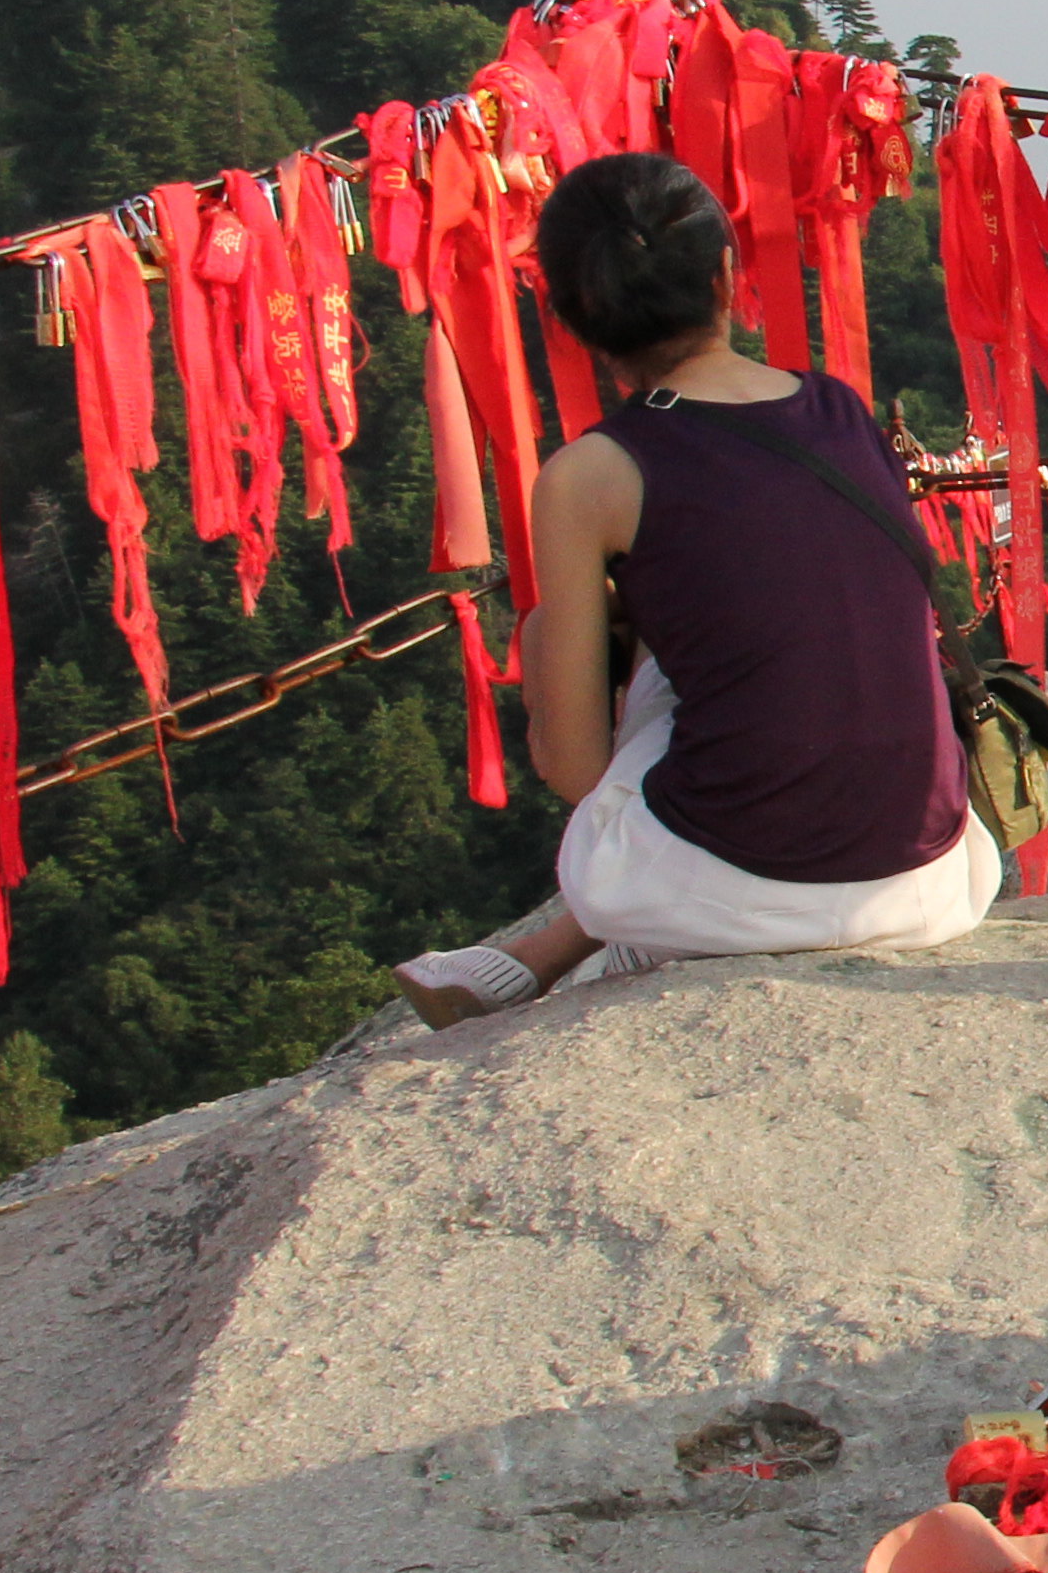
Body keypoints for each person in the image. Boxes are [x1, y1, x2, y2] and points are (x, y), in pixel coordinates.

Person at [392, 152, 1004, 1024]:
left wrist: (557, 636)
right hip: (932, 884)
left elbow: (574, 768)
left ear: (570, 319)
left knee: (619, 659)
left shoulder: (592, 474)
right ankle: (548, 954)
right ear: (726, 273)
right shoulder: (837, 409)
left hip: (753, 895)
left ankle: (620, 936)